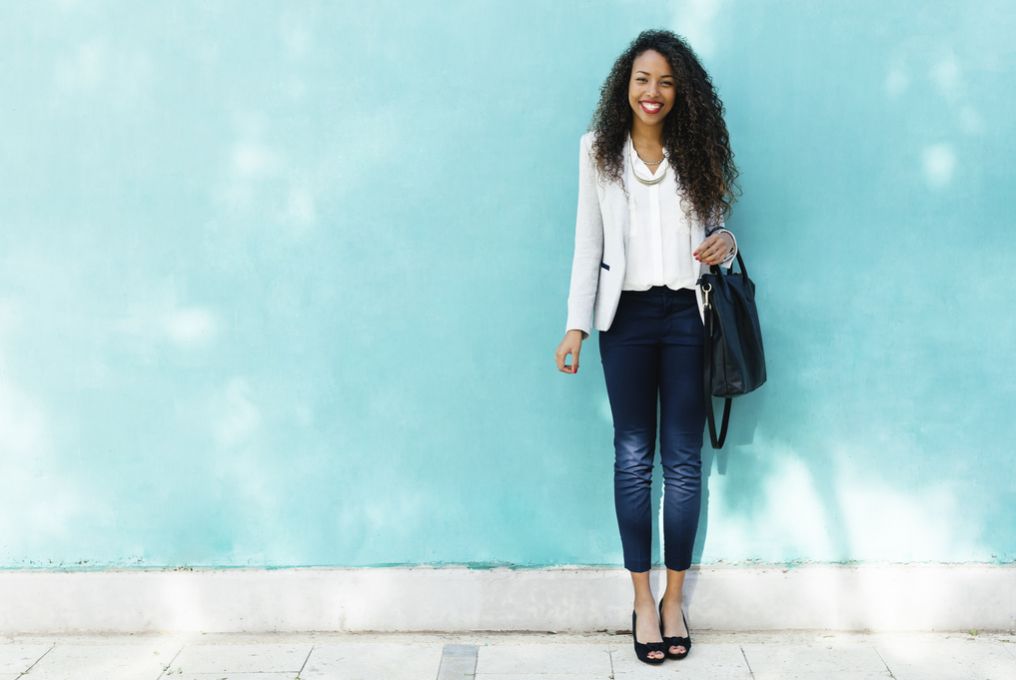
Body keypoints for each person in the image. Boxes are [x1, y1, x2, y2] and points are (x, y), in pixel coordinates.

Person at [553, 29, 741, 664]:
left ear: (679, 89)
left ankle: (674, 599)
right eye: (641, 80)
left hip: (688, 314)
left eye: (664, 81)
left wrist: (728, 244)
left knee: (683, 461)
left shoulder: (698, 148)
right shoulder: (596, 150)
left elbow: (716, 232)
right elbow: (588, 242)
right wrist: (577, 325)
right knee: (633, 457)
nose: (652, 92)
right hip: (625, 319)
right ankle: (640, 598)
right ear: (624, 87)